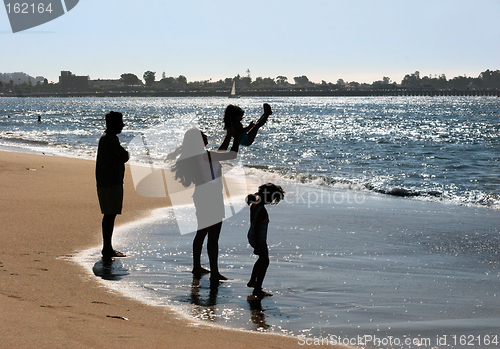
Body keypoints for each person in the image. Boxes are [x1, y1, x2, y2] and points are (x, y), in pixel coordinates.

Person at [170, 127, 240, 281]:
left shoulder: (197, 157)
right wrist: (237, 137)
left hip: (201, 196)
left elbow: (220, 153)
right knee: (213, 237)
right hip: (212, 197)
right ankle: (214, 273)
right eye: (203, 135)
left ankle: (196, 266)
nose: (206, 136)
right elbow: (232, 154)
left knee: (201, 233)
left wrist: (229, 135)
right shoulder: (207, 156)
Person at [96, 111, 129, 259]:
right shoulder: (110, 139)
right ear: (114, 124)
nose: (122, 125)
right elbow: (124, 156)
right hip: (110, 182)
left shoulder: (108, 138)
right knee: (110, 214)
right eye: (120, 122)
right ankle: (107, 248)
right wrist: (126, 152)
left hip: (108, 181)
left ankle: (107, 247)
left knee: (110, 214)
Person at [246, 183, 285, 298]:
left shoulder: (255, 204)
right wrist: (258, 245)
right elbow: (257, 226)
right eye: (272, 198)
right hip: (258, 238)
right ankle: (257, 289)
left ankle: (253, 281)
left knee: (262, 259)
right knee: (265, 261)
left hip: (253, 235)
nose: (272, 201)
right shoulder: (261, 209)